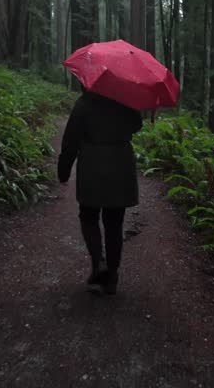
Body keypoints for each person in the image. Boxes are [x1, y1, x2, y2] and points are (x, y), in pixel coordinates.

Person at [58, 90, 143, 295]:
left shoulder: (85, 102)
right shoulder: (126, 100)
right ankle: (112, 276)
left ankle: (99, 262)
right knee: (114, 221)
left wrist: (64, 168)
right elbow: (136, 126)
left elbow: (71, 138)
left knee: (88, 216)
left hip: (92, 163)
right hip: (121, 163)